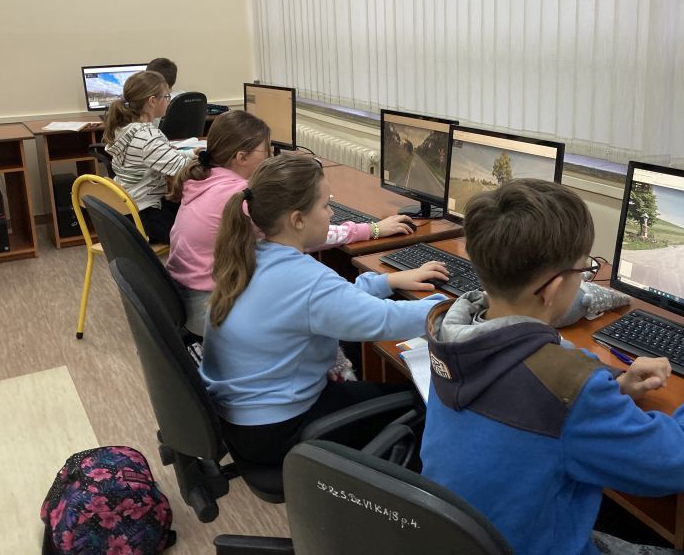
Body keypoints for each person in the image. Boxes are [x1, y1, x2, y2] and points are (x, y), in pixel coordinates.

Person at [419, 179, 684, 555]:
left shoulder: (451, 341)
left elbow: (525, 394)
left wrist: (616, 387)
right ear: (553, 289)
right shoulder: (570, 388)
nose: (585, 279)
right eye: (585, 270)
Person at [200, 154, 449, 466]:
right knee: (422, 403)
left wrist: (387, 281)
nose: (331, 214)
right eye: (325, 206)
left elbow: (331, 301)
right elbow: (386, 320)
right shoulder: (305, 280)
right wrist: (454, 305)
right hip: (279, 431)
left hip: (241, 418)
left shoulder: (252, 254)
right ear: (297, 220)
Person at [167, 110, 419, 336]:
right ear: (241, 157)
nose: (269, 155)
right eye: (265, 150)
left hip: (191, 295)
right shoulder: (238, 197)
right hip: (211, 308)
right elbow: (308, 242)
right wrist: (373, 228)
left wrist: (384, 282)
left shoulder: (206, 179)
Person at [103, 70, 192, 244]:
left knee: (183, 207)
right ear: (152, 101)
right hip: (144, 216)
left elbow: (165, 156)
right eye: (166, 96)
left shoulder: (126, 128)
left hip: (127, 209)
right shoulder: (148, 137)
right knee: (197, 231)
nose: (168, 101)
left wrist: (189, 154)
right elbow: (182, 168)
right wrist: (206, 158)